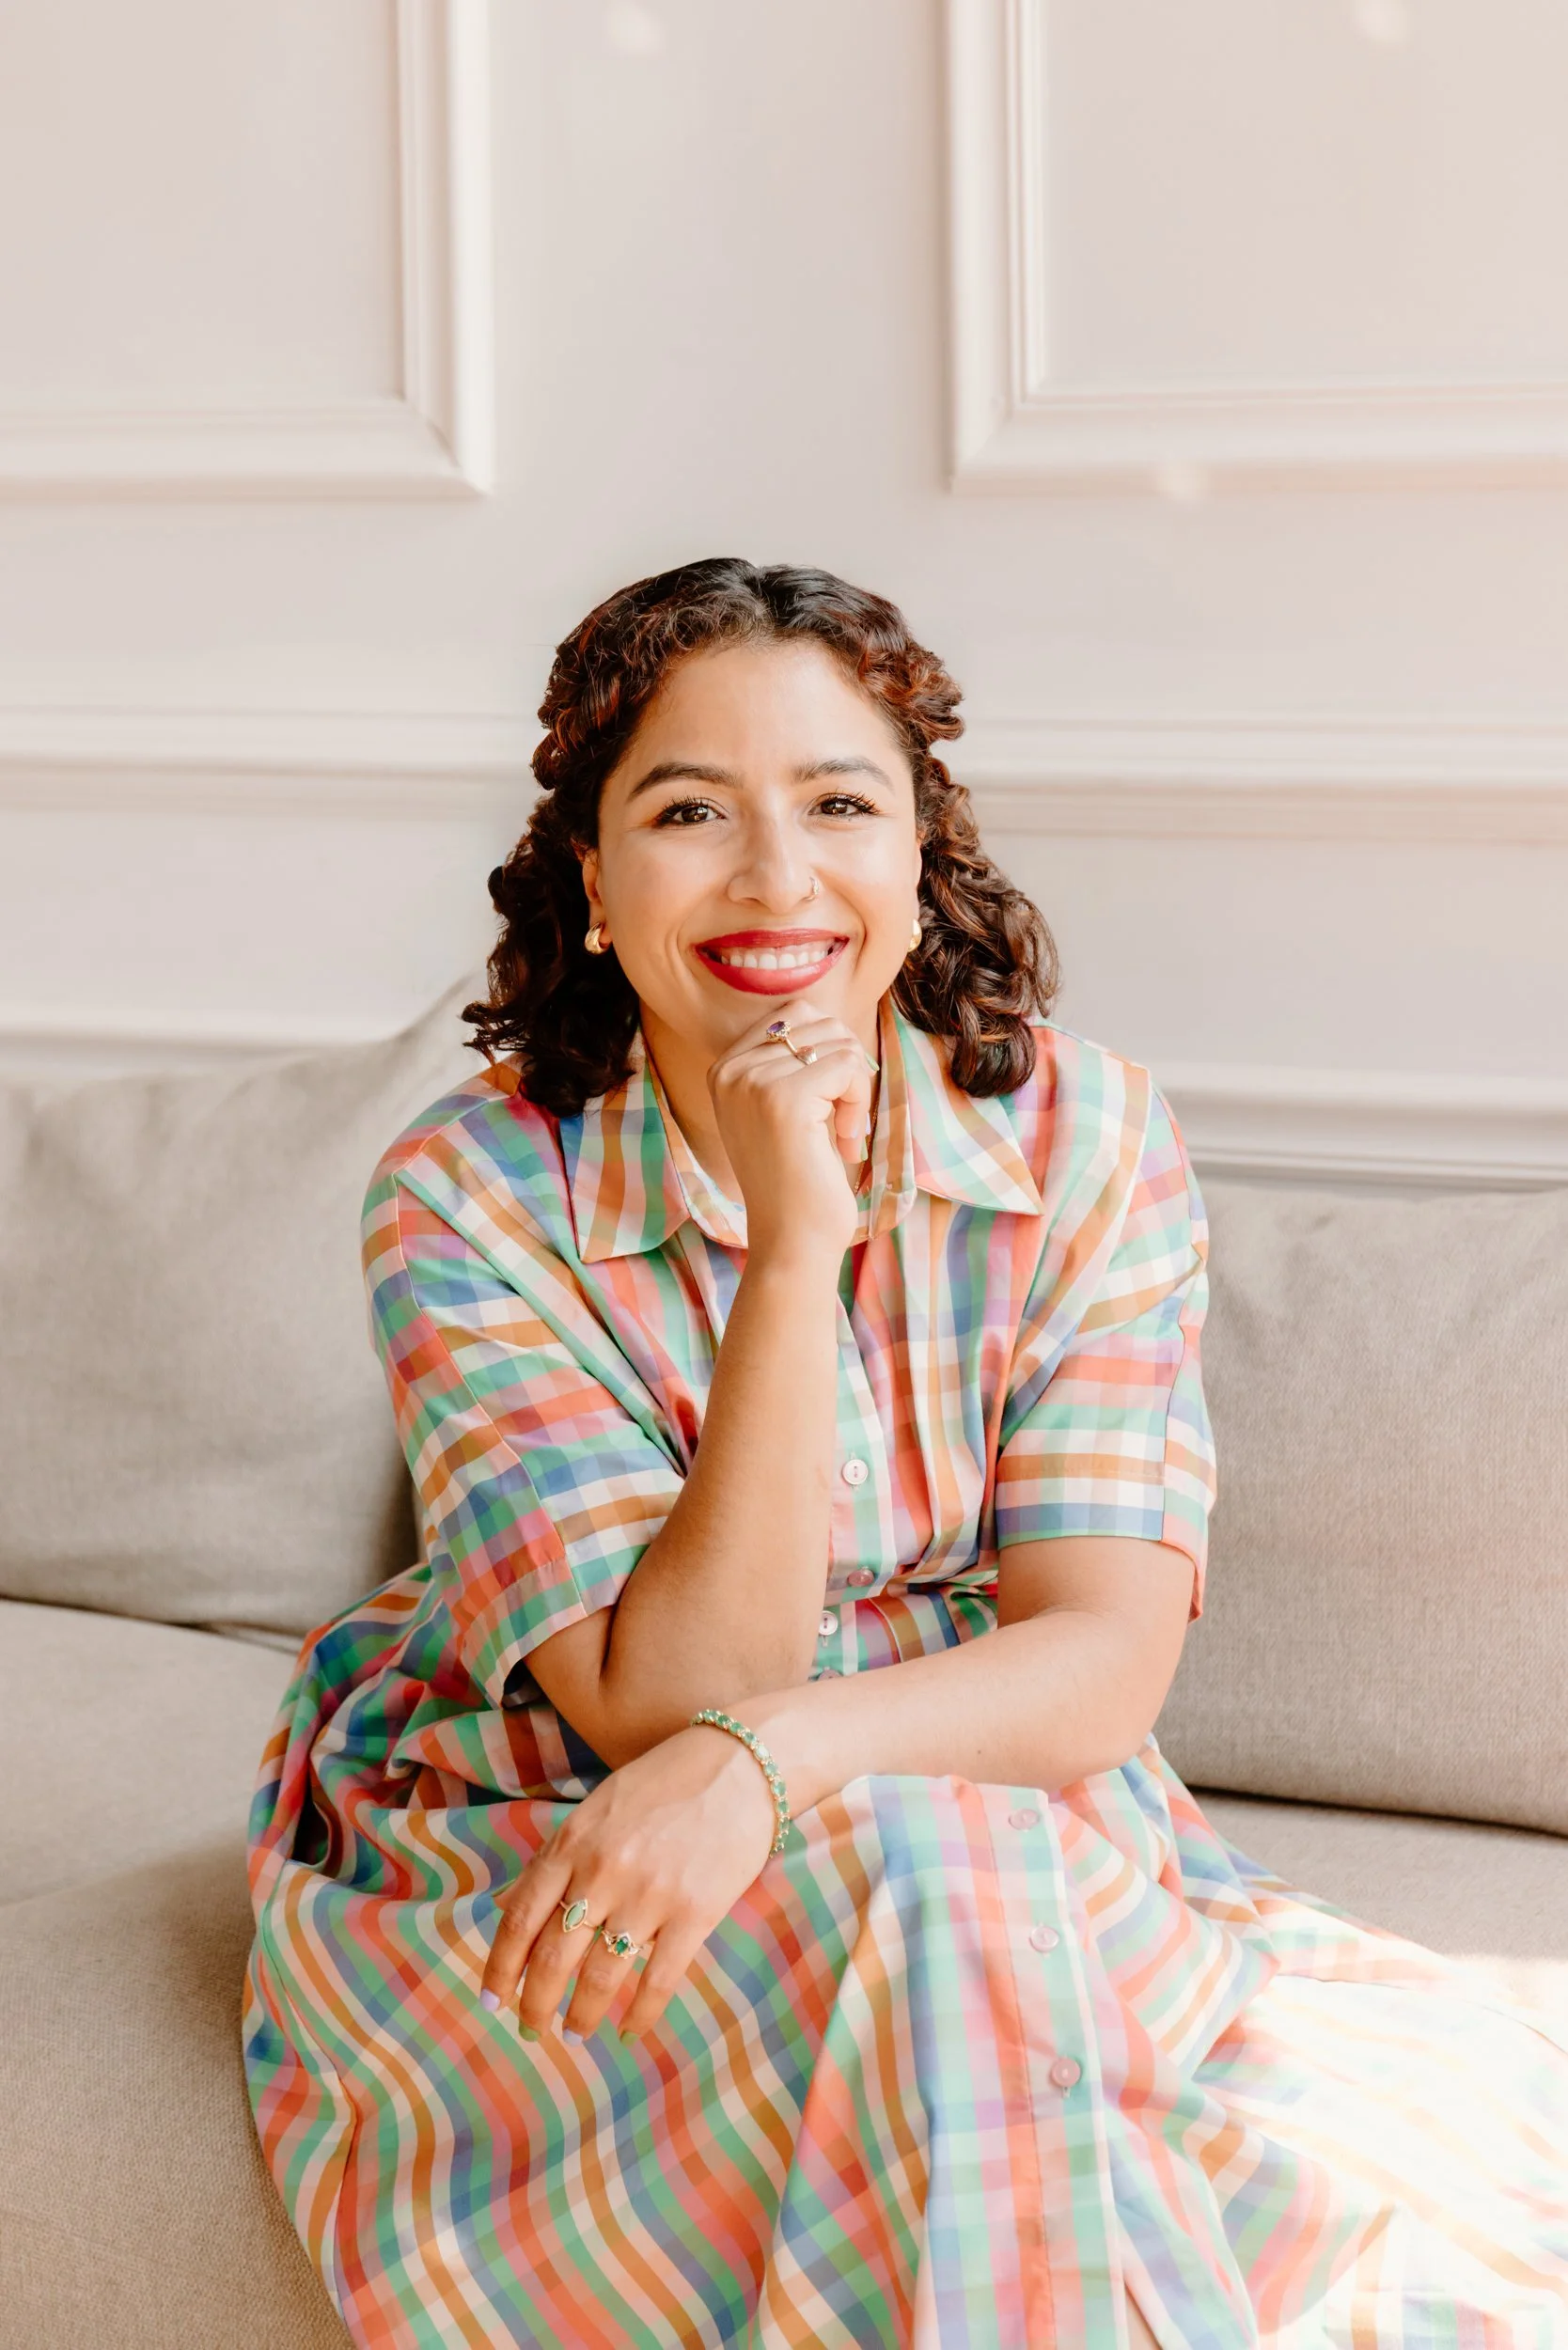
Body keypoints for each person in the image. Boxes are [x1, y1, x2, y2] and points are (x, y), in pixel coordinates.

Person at [244, 558, 1568, 2349]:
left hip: (982, 1796)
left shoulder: (1084, 1137)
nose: (776, 877)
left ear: (917, 854)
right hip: (569, 1828)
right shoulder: (469, 1195)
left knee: (970, 1902)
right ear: (596, 883)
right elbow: (663, 1703)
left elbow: (1100, 1659)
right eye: (690, 810)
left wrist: (770, 1764)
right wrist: (795, 1247)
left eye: (839, 804)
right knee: (959, 1944)